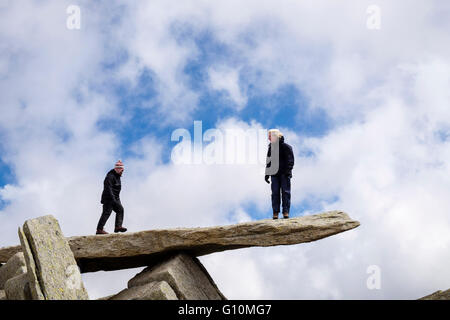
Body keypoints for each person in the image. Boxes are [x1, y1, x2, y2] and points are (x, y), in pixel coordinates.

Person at [265, 129, 294, 219]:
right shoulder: (271, 148)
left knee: (285, 193)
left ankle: (285, 212)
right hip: (274, 174)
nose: (268, 137)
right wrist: (267, 174)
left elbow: (290, 160)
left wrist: (287, 171)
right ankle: (275, 213)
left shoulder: (286, 147)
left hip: (284, 174)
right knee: (275, 193)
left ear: (275, 136)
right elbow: (268, 162)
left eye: (270, 136)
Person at [96, 160, 128, 235]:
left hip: (115, 198)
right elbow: (108, 188)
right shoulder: (110, 176)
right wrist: (113, 200)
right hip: (108, 198)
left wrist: (117, 200)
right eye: (121, 170)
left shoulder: (117, 176)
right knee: (106, 213)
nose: (122, 172)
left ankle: (118, 227)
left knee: (120, 209)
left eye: (122, 170)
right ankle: (99, 229)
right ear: (118, 169)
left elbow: (117, 190)